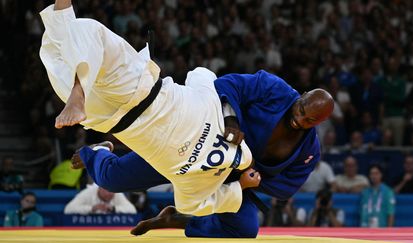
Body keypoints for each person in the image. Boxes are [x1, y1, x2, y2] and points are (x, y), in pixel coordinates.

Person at [39, 0, 259, 217]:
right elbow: (191, 206)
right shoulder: (195, 181)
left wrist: (229, 118)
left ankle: (79, 91)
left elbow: (200, 73)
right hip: (125, 99)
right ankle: (79, 90)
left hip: (126, 100)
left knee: (66, 43)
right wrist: (239, 186)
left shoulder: (214, 126)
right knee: (71, 42)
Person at [72, 69, 334, 238]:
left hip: (229, 176)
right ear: (302, 95)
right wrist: (232, 120)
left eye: (309, 120)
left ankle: (176, 219)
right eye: (301, 109)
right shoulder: (274, 90)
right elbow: (228, 84)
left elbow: (289, 186)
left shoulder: (309, 150)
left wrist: (252, 178)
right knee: (111, 179)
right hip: (193, 147)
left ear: (318, 123)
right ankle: (96, 153)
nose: (300, 119)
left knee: (244, 229)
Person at [64, 185, 137, 214]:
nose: (109, 193)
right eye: (106, 190)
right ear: (99, 188)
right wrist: (92, 208)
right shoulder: (87, 193)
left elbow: (132, 210)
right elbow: (68, 209)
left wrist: (113, 208)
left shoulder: (117, 193)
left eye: (112, 190)